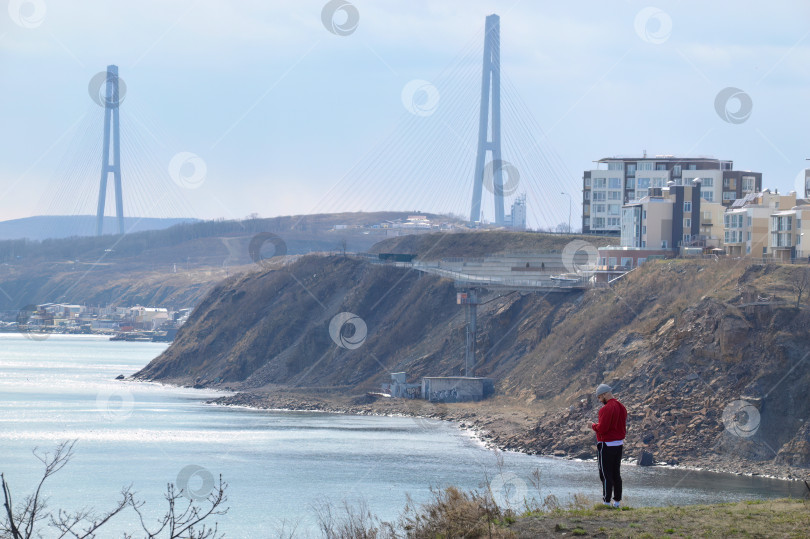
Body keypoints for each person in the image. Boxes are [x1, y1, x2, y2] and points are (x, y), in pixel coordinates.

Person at [590, 383, 627, 508]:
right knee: (616, 473)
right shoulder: (621, 407)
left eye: (600, 398)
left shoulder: (605, 409)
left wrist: (592, 426)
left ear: (605, 394)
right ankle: (616, 502)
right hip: (618, 444)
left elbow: (602, 429)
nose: (600, 401)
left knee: (605, 474)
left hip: (606, 444)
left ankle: (606, 501)